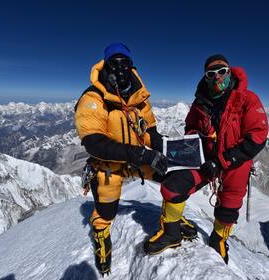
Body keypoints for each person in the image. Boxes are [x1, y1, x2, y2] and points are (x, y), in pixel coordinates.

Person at [74, 43, 196, 275]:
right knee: (106, 212)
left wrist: (173, 151)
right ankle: (102, 238)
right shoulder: (94, 97)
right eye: (114, 63)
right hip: (108, 165)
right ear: (105, 65)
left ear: (132, 66)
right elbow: (94, 143)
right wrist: (140, 154)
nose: (120, 68)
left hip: (138, 160)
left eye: (125, 63)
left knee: (178, 175)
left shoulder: (139, 98)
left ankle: (172, 221)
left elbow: (149, 132)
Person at [143, 54, 269, 264]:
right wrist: (196, 141)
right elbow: (190, 127)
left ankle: (218, 238)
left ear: (229, 72)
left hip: (235, 161)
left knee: (229, 203)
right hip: (204, 158)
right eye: (212, 74)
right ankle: (172, 233)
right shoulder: (200, 103)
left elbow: (257, 136)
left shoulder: (247, 99)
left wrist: (221, 162)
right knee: (173, 185)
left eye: (222, 71)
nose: (218, 77)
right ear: (206, 77)